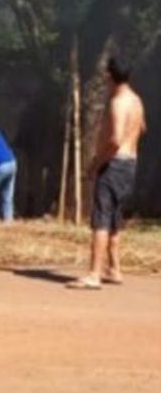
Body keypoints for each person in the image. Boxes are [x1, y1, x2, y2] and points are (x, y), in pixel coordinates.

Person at [68, 57, 146, 290]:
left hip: (114, 163)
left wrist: (96, 162)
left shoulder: (117, 102)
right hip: (130, 162)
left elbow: (115, 139)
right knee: (114, 216)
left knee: (101, 218)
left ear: (110, 76)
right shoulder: (136, 100)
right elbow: (142, 127)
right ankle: (114, 268)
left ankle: (94, 274)